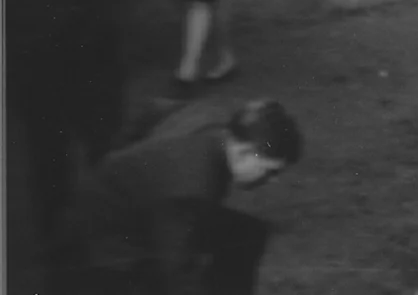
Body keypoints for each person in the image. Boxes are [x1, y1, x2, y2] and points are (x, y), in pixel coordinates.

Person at [6, 0, 124, 287]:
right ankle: (59, 259)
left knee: (107, 152)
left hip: (96, 59)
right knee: (47, 161)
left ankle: (116, 248)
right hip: (39, 65)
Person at [56, 98, 301, 294]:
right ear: (243, 152)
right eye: (270, 171)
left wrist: (128, 162)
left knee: (247, 233)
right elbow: (173, 269)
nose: (272, 180)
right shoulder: (192, 186)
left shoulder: (214, 120)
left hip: (128, 202)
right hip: (106, 239)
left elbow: (147, 110)